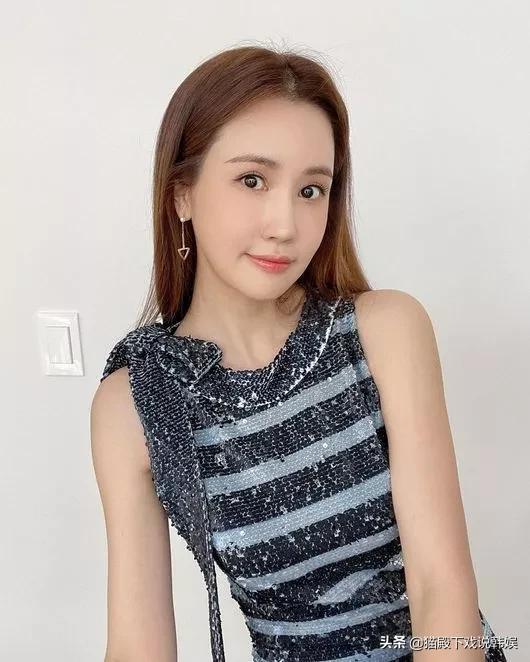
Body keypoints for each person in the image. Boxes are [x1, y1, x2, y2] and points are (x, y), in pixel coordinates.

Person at [91, 44, 507, 662]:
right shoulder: (137, 402)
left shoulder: (385, 331)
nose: (285, 224)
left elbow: (441, 588)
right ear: (182, 194)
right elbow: (137, 647)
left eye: (312, 190)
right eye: (252, 180)